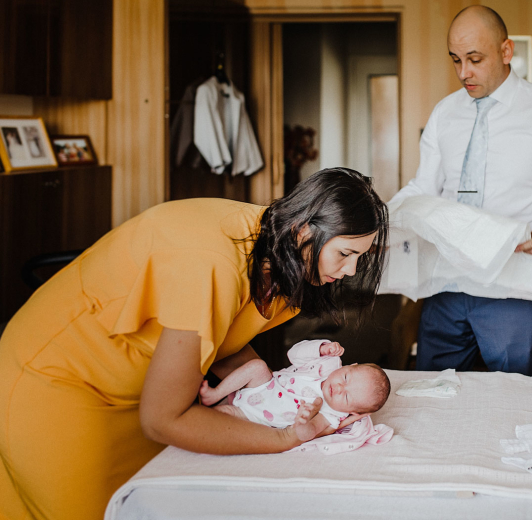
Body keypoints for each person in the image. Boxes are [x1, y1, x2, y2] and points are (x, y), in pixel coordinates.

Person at [0, 167, 388, 520]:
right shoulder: (214, 263)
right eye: (345, 253)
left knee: (160, 500)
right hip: (57, 380)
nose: (351, 270)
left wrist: (277, 400)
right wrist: (287, 437)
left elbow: (223, 340)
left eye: (360, 257)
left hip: (143, 389)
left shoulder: (278, 248)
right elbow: (162, 420)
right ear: (304, 229)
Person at [389, 6, 532, 376]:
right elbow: (422, 188)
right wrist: (380, 223)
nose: (463, 72)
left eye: (475, 59)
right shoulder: (444, 114)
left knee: (517, 399)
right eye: (456, 60)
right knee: (430, 393)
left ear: (506, 51)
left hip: (515, 288)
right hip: (446, 283)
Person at [199, 339, 391, 434]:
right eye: (346, 377)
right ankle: (215, 393)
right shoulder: (329, 362)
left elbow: (312, 431)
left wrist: (302, 423)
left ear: (352, 411)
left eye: (347, 397)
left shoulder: (333, 414)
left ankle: (199, 419)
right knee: (258, 367)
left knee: (220, 416)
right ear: (350, 365)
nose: (340, 388)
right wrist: (320, 348)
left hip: (256, 417)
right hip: (262, 385)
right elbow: (293, 355)